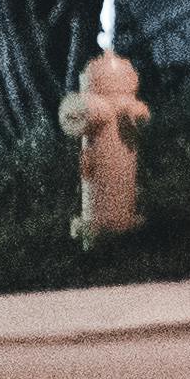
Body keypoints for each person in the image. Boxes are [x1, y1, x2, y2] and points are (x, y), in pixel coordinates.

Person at [59, 50, 146, 245]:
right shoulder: (106, 105)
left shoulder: (97, 102)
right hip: (96, 154)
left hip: (94, 157)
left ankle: (102, 238)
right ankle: (116, 234)